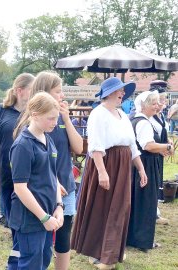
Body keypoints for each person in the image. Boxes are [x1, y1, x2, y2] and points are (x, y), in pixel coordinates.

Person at [71, 77, 147, 270]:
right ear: (110, 93)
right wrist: (102, 172)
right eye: (119, 91)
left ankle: (109, 251)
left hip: (123, 166)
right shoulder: (98, 114)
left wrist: (140, 168)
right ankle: (98, 253)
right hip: (105, 164)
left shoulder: (122, 114)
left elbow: (132, 145)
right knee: (102, 208)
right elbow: (95, 146)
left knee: (120, 207)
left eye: (123, 91)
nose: (122, 94)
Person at [30, 71, 83, 270]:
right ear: (44, 93)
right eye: (58, 91)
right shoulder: (34, 121)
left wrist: (67, 119)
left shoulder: (61, 118)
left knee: (63, 234)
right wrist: (53, 181)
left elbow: (78, 148)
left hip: (65, 186)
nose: (62, 96)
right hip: (42, 189)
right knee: (40, 237)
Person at [10, 92, 64, 270]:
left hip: (48, 214)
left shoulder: (47, 138)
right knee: (29, 263)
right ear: (34, 115)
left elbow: (53, 175)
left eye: (56, 118)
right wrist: (44, 217)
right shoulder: (23, 145)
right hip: (30, 219)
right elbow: (20, 188)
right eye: (50, 118)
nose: (55, 123)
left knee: (44, 259)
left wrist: (58, 206)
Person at [0, 73, 35, 268]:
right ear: (19, 90)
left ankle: (20, 257)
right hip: (8, 174)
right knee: (11, 217)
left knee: (26, 216)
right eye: (32, 90)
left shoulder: (34, 112)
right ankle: (18, 254)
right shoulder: (0, 110)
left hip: (30, 173)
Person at [127, 91, 173, 253]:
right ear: (143, 105)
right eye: (152, 103)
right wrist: (166, 147)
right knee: (146, 203)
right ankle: (142, 240)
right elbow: (148, 145)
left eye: (156, 103)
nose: (156, 106)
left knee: (138, 202)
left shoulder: (137, 119)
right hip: (145, 164)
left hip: (141, 163)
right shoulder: (143, 122)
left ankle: (134, 237)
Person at [148, 80, 170, 224]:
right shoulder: (149, 117)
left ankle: (155, 212)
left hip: (159, 153)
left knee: (157, 182)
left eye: (163, 100)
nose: (162, 103)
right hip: (152, 153)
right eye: (159, 100)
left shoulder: (160, 116)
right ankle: (153, 213)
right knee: (152, 183)